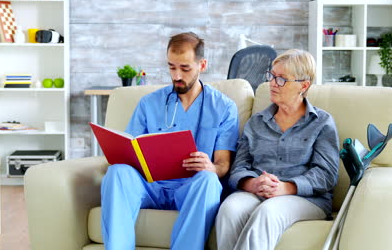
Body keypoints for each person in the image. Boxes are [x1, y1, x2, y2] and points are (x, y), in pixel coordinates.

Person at [101, 32, 240, 250]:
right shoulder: (149, 103)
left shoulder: (224, 107)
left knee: (209, 180)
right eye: (171, 67)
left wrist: (211, 167)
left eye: (185, 68)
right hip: (151, 187)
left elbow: (223, 164)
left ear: (202, 65)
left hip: (191, 189)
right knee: (117, 171)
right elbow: (130, 149)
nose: (176, 75)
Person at [215, 49, 339, 250]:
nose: (272, 83)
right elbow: (239, 167)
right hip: (257, 191)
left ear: (303, 85)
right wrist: (252, 184)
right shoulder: (256, 122)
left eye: (281, 79)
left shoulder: (322, 123)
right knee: (230, 209)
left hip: (305, 198)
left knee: (268, 212)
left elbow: (326, 175)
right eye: (272, 76)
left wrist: (286, 187)